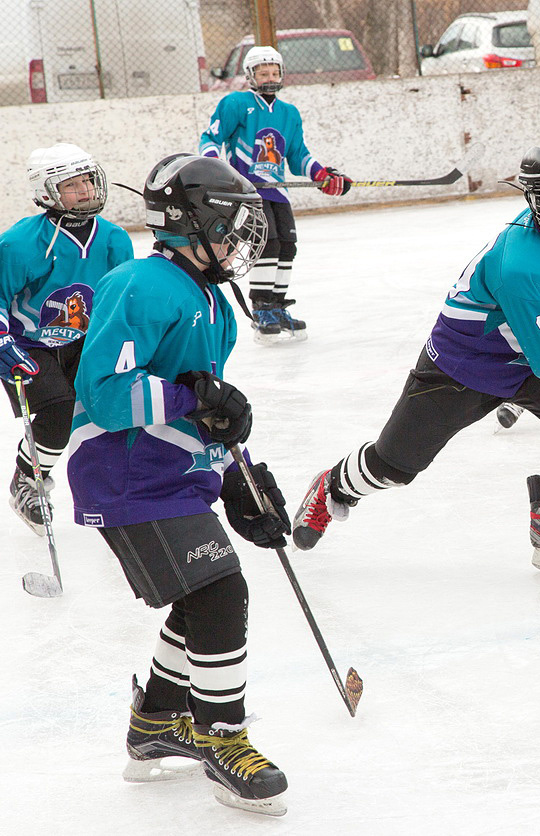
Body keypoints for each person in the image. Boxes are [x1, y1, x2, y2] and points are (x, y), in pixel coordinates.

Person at [291, 143, 540, 575]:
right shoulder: (521, 265)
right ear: (539, 205)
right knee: (394, 466)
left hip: (522, 360)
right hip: (463, 367)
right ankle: (332, 487)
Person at [66, 154, 292, 816]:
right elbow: (106, 395)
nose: (241, 241)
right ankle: (221, 738)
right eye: (231, 226)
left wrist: (238, 472)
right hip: (124, 473)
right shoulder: (139, 285)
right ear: (192, 222)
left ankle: (158, 721)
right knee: (222, 590)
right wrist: (191, 395)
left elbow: (203, 408)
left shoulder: (211, 301)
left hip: (173, 473)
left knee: (200, 597)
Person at [0, 143, 133, 534]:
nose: (86, 191)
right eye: (73, 185)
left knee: (111, 407)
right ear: (46, 191)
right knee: (58, 410)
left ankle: (118, 484)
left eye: (88, 181)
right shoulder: (19, 243)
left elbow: (121, 300)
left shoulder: (114, 239)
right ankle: (28, 481)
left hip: (84, 342)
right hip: (27, 345)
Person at [199, 45, 353, 342]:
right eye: (262, 72)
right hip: (246, 190)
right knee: (266, 243)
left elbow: (298, 155)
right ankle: (262, 309)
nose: (269, 77)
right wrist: (214, 167)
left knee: (287, 244)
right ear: (250, 75)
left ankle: (278, 306)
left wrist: (322, 174)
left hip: (277, 191)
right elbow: (211, 137)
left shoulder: (289, 113)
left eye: (274, 72)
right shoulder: (235, 103)